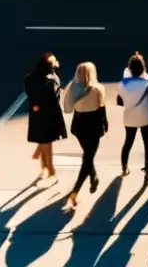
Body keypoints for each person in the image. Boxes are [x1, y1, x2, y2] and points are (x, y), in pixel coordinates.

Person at [62, 62, 108, 209]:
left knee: (87, 155)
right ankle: (75, 190)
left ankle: (93, 178)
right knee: (88, 157)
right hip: (93, 125)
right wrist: (105, 124)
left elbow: (68, 107)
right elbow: (101, 109)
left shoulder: (71, 87)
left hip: (79, 125)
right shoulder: (98, 89)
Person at [25, 52, 66, 181]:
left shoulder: (29, 78)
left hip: (36, 113)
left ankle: (43, 164)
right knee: (47, 141)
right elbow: (53, 95)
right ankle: (50, 169)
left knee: (43, 139)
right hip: (50, 113)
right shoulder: (51, 79)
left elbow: (31, 94)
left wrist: (35, 104)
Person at [117, 52, 148, 184]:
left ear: (130, 69)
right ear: (143, 67)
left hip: (129, 118)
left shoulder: (123, 84)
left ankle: (124, 167)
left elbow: (120, 101)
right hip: (147, 118)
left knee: (128, 142)